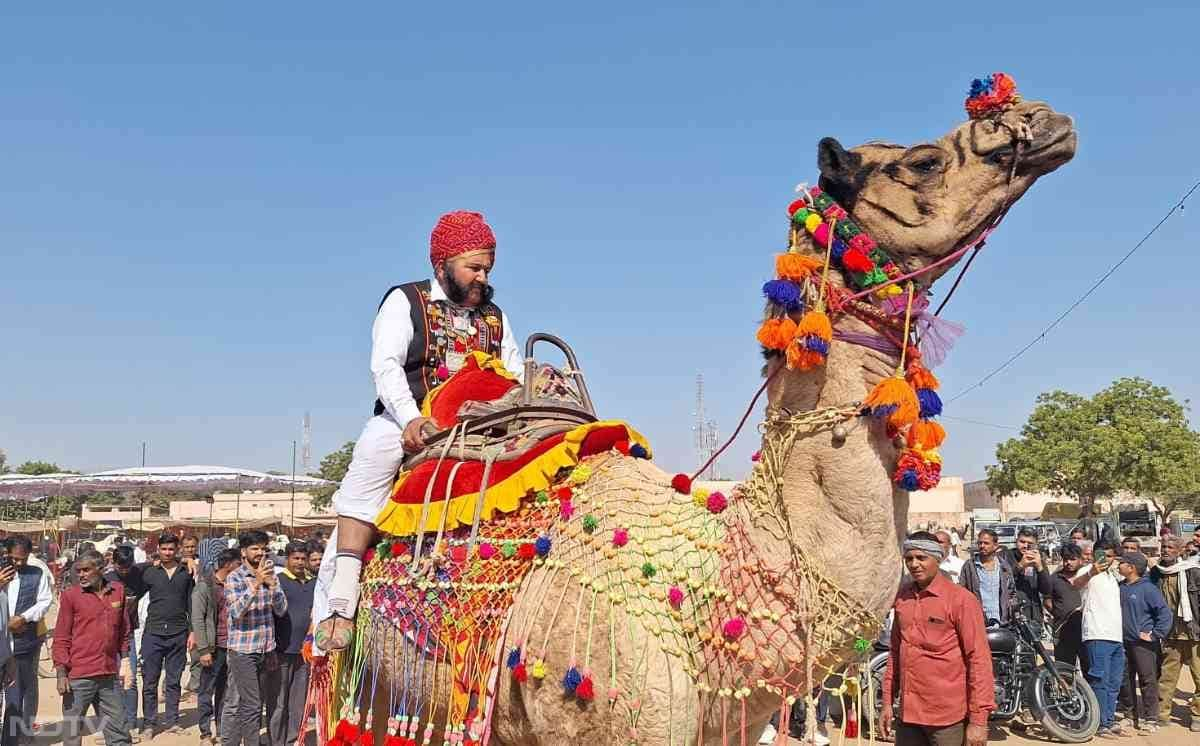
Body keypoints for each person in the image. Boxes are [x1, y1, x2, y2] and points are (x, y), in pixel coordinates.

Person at [314, 210, 524, 651]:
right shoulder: (405, 301)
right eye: (474, 267)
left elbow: (515, 372)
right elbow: (386, 366)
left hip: (482, 424)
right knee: (372, 459)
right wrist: (410, 418)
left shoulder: (496, 317)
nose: (482, 277)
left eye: (487, 268)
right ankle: (341, 601)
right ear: (441, 263)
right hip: (412, 418)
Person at [881, 532, 993, 746]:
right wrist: (887, 702)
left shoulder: (961, 600)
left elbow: (978, 660)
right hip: (908, 716)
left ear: (938, 558)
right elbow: (895, 652)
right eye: (909, 558)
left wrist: (979, 721)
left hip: (947, 719)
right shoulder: (903, 598)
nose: (914, 564)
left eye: (921, 558)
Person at [52, 550, 133, 746]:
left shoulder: (117, 591)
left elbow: (123, 630)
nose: (81, 575)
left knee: (119, 730)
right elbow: (61, 636)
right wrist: (61, 672)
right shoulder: (71, 596)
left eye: (86, 570)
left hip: (108, 674)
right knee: (72, 733)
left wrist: (126, 661)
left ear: (101, 568)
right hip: (78, 676)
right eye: (78, 571)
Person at [225, 530, 288, 746]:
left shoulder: (272, 576)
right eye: (255, 548)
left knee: (257, 702)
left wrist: (271, 586)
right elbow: (236, 612)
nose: (260, 553)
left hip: (266, 649)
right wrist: (256, 583)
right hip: (243, 651)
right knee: (250, 704)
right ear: (243, 552)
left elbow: (280, 610)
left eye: (263, 548)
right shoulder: (235, 578)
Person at [139, 533, 195, 738]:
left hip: (178, 633)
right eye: (164, 549)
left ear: (177, 550)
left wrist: (192, 631)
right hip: (153, 633)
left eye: (171, 549)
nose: (167, 552)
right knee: (150, 681)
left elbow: (191, 603)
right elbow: (133, 591)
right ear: (159, 549)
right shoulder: (149, 572)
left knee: (173, 681)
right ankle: (149, 723)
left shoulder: (185, 572)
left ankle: (172, 721)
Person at [1071, 540, 1125, 738]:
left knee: (1114, 682)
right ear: (1094, 554)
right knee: (1099, 680)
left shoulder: (1112, 575)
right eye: (1103, 555)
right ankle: (1100, 723)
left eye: (1110, 556)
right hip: (1096, 634)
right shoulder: (1086, 571)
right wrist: (1092, 571)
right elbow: (1075, 584)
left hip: (1116, 637)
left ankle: (1108, 720)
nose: (1106, 559)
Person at [2, 536, 52, 746]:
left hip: (23, 644)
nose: (18, 563)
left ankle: (14, 739)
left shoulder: (37, 572)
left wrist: (24, 617)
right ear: (6, 554)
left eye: (23, 559)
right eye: (14, 558)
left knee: (19, 695)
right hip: (1, 645)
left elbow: (45, 600)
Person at [1115, 552, 1171, 734]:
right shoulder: (1120, 586)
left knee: (1147, 680)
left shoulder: (1148, 588)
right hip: (1123, 642)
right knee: (1125, 679)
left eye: (1122, 562)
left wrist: (1155, 634)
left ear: (1131, 568)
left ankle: (1151, 719)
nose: (1118, 565)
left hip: (1143, 645)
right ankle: (1129, 715)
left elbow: (1164, 614)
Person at [1149, 535, 1200, 731]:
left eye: (1170, 547)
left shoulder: (1193, 572)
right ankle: (1162, 714)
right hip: (1169, 633)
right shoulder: (1156, 573)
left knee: (1198, 675)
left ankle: (1196, 715)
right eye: (1164, 546)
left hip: (1193, 632)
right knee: (1167, 676)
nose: (1166, 550)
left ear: (1180, 551)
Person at [267, 542, 316, 746]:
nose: (299, 562)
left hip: (304, 651)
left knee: (298, 701)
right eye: (295, 558)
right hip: (281, 649)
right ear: (287, 559)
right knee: (279, 700)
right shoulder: (278, 581)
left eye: (303, 559)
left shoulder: (314, 583)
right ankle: (276, 740)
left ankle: (295, 739)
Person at [193, 548, 241, 746]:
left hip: (232, 645)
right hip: (213, 647)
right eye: (238, 565)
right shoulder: (205, 585)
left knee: (225, 691)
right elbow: (198, 618)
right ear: (229, 565)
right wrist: (203, 650)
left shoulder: (235, 585)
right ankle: (205, 732)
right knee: (206, 690)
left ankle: (222, 729)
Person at [104, 544, 148, 737]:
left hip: (128, 634)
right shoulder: (106, 579)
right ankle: (115, 722)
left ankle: (130, 722)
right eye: (120, 568)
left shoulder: (138, 573)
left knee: (129, 680)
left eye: (127, 568)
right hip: (108, 635)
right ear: (113, 564)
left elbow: (155, 563)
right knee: (110, 680)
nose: (123, 572)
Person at [958, 528, 1015, 625]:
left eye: (986, 543)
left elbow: (1011, 591)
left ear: (995, 545)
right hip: (978, 622)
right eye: (980, 543)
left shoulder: (1003, 566)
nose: (982, 546)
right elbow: (962, 592)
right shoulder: (970, 566)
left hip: (1002, 622)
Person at [1047, 543, 1087, 677]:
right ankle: (1067, 696)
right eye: (1065, 559)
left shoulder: (1088, 576)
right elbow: (1047, 601)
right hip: (1062, 631)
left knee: (1089, 669)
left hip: (1086, 631)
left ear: (1080, 559)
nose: (1068, 562)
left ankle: (1087, 697)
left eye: (1072, 559)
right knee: (1064, 671)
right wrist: (1060, 613)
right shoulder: (1054, 579)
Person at [1010, 527, 1051, 634]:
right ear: (1016, 541)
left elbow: (1047, 590)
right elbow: (1003, 580)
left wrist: (1039, 568)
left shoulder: (1038, 559)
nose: (1025, 546)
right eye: (1022, 542)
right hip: (1012, 616)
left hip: (1033, 616)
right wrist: (1020, 566)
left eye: (1030, 543)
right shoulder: (1007, 556)